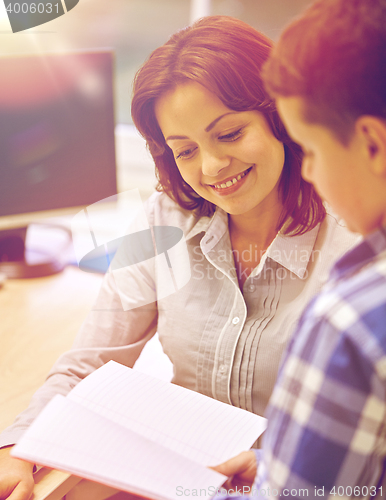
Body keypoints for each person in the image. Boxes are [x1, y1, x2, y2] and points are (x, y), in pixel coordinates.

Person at [0, 15, 357, 500]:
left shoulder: (355, 237)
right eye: (185, 150)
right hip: (185, 481)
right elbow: (89, 361)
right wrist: (19, 447)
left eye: (230, 135)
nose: (211, 168)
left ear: (281, 118)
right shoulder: (165, 220)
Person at [213, 0, 386, 497]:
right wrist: (279, 465)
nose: (307, 170)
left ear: (372, 144)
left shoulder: (350, 320)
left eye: (310, 150)